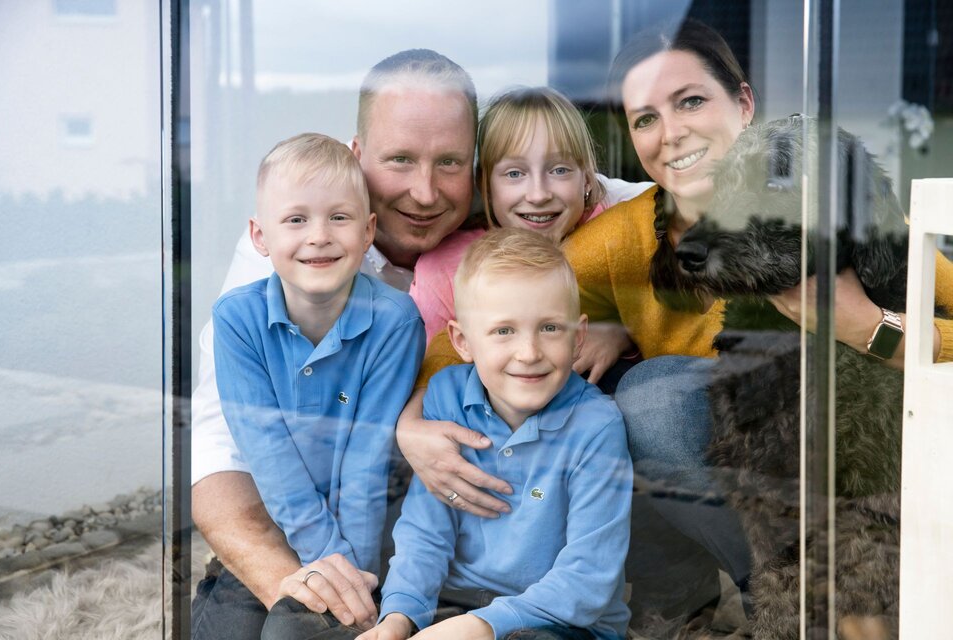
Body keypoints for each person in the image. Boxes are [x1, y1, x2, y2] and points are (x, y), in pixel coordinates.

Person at [395, 19, 953, 637]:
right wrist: (411, 422)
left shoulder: (823, 200)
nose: (672, 133)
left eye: (690, 101)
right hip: (754, 484)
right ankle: (783, 606)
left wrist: (870, 327)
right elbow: (478, 330)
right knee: (654, 400)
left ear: (743, 104)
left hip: (878, 472)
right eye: (645, 118)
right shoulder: (618, 241)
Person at [191, 49, 478, 640]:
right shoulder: (270, 268)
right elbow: (229, 441)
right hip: (289, 518)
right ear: (357, 155)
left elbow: (606, 188)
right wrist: (322, 581)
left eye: (449, 163)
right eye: (400, 159)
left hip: (421, 523)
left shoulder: (507, 221)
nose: (425, 192)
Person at [263, 228, 633, 640]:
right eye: (503, 331)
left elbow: (588, 579)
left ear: (578, 336)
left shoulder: (596, 424)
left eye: (549, 328)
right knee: (288, 626)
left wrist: (481, 627)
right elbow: (427, 529)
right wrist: (399, 617)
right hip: (450, 605)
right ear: (462, 341)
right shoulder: (446, 397)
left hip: (554, 621)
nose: (529, 352)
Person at [211, 132, 425, 634]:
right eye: (296, 219)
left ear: (368, 230)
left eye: (340, 217)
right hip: (278, 530)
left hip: (373, 533)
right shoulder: (236, 321)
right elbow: (270, 455)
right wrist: (333, 570)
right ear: (260, 235)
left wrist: (356, 581)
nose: (319, 235)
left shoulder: (395, 321)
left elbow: (366, 462)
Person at [410, 86, 651, 345]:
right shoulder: (445, 270)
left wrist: (623, 332)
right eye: (515, 174)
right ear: (485, 186)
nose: (538, 195)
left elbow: (664, 318)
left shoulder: (622, 237)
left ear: (588, 180)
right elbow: (432, 371)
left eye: (559, 170)